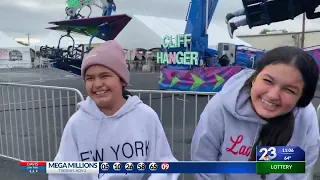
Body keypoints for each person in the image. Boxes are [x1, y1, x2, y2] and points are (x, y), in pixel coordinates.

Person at [49, 40, 179, 180]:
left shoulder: (146, 116)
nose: (97, 84)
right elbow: (61, 172)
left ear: (122, 80)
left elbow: (165, 164)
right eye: (90, 78)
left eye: (105, 76)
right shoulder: (77, 123)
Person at [191, 46, 320, 179]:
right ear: (255, 77)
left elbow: (296, 173)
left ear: (301, 99)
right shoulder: (220, 106)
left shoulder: (304, 117)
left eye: (289, 90)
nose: (273, 95)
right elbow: (204, 163)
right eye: (268, 81)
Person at [226, 0, 305, 38]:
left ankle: (234, 24)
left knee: (258, 16)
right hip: (283, 5)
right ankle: (232, 15)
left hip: (285, 10)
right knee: (258, 10)